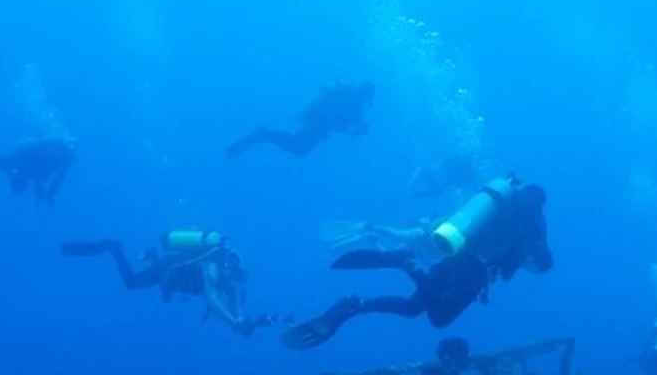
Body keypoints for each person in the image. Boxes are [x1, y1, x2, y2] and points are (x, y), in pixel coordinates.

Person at [282, 175, 553, 350]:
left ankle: (357, 304)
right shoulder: (532, 223)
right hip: (473, 272)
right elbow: (509, 270)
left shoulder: (502, 203)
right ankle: (406, 263)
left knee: (414, 307)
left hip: (453, 256)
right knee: (438, 318)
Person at [59, 229, 281, 336]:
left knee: (137, 283)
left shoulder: (229, 281)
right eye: (235, 279)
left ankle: (146, 254)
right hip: (167, 269)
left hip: (172, 278)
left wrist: (240, 319)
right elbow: (211, 299)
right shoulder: (212, 269)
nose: (234, 285)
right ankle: (114, 248)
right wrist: (233, 323)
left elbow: (234, 302)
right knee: (131, 283)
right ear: (232, 270)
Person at [225, 81, 375, 159]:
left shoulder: (355, 104)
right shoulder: (350, 100)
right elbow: (340, 118)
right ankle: (264, 134)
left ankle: (264, 134)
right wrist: (358, 128)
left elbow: (351, 124)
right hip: (316, 123)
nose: (364, 101)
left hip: (318, 125)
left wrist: (360, 129)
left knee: (298, 148)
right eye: (365, 97)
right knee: (298, 147)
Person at [0, 134, 77, 207]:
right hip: (27, 165)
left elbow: (54, 182)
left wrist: (48, 195)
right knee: (18, 188)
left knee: (16, 186)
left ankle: (1, 168)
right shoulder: (66, 160)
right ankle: (4, 169)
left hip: (23, 161)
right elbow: (57, 181)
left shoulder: (57, 149)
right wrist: (49, 196)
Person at [408, 152, 483, 198]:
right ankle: (424, 172)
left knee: (435, 193)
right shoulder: (468, 168)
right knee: (436, 192)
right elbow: (447, 159)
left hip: (451, 179)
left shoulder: (472, 174)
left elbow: (475, 187)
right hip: (450, 178)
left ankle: (416, 193)